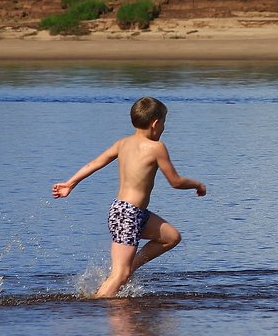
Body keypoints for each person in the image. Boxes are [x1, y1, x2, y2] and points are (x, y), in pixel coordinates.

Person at [52, 97, 207, 298]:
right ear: (155, 123)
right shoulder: (156, 147)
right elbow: (175, 181)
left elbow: (95, 163)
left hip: (128, 211)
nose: (163, 129)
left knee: (171, 237)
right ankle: (96, 306)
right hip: (129, 215)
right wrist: (198, 184)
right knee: (119, 275)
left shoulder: (122, 143)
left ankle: (130, 267)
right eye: (164, 124)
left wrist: (70, 183)